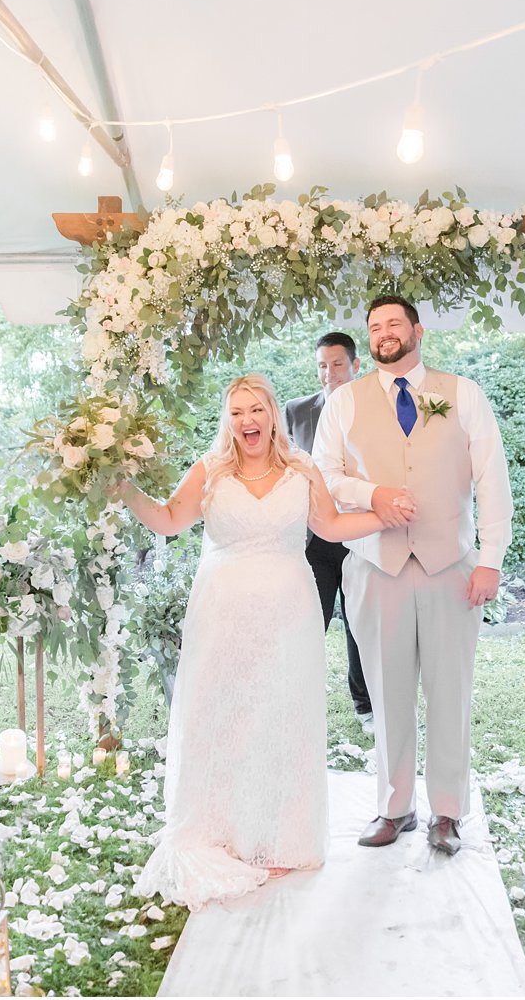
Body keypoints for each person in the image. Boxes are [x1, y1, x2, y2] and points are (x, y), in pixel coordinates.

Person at [120, 374, 409, 909]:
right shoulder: (209, 471)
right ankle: (225, 831)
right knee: (224, 714)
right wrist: (124, 489)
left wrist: (382, 517)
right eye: (236, 412)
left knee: (280, 715)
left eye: (256, 409)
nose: (247, 420)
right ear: (227, 420)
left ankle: (279, 837)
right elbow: (166, 519)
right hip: (222, 612)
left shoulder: (302, 468)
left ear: (273, 414)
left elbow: (328, 526)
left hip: (288, 611)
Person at [313, 294, 513, 857]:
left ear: (417, 331)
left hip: (450, 566)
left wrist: (491, 558)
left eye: (393, 323)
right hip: (378, 567)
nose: (383, 334)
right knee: (386, 690)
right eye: (374, 327)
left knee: (450, 692)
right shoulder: (345, 402)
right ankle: (395, 807)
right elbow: (325, 477)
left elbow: (491, 477)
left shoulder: (463, 394)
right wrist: (372, 493)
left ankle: (447, 812)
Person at [284, 331, 374, 734]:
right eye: (322, 365)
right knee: (308, 621)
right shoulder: (295, 411)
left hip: (361, 536)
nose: (329, 373)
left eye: (337, 364)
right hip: (315, 538)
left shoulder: (378, 411)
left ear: (356, 365)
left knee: (360, 623)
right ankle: (297, 702)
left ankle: (366, 705)